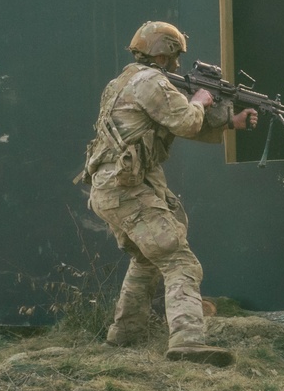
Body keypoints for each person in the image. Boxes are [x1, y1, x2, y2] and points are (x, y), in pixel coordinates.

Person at [77, 21, 258, 365]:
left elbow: (171, 120)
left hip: (110, 189)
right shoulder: (153, 82)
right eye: (174, 57)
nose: (177, 65)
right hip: (126, 190)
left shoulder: (123, 81)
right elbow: (188, 121)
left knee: (147, 259)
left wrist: (229, 121)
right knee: (180, 261)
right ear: (162, 54)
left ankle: (124, 336)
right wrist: (202, 100)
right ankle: (188, 343)